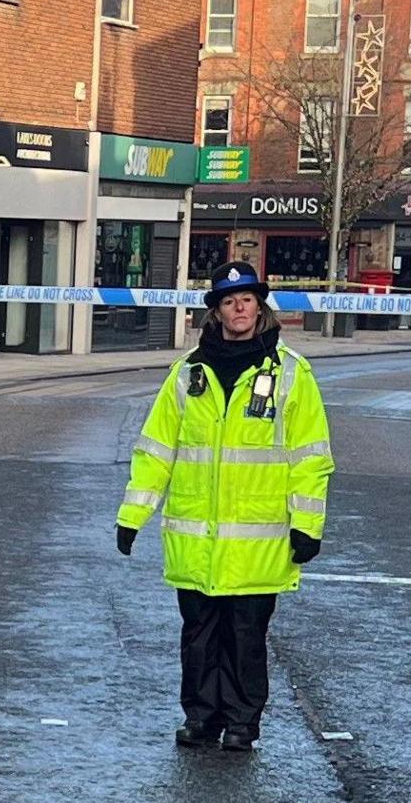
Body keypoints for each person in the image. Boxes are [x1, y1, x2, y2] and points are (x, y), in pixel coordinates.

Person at [113, 264, 332, 750]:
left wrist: (307, 526)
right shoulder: (187, 373)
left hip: (258, 542)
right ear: (216, 309)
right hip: (195, 540)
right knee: (199, 638)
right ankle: (201, 717)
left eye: (247, 299)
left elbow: (311, 458)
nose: (239, 308)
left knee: (246, 639)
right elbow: (155, 450)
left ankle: (241, 724)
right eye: (230, 301)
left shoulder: (292, 375)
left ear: (260, 307)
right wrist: (132, 516)